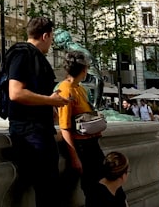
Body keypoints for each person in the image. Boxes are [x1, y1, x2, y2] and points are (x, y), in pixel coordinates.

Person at [5, 16, 68, 207]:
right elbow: (15, 93)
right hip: (31, 133)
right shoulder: (23, 53)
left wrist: (51, 104)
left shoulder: (32, 55)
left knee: (48, 189)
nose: (51, 42)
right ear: (46, 35)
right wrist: (50, 100)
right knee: (47, 189)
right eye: (52, 37)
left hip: (38, 130)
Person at [56, 50, 105, 203]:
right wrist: (74, 157)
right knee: (92, 187)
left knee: (100, 183)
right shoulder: (66, 89)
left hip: (91, 143)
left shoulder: (80, 88)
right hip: (82, 146)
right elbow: (65, 126)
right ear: (84, 70)